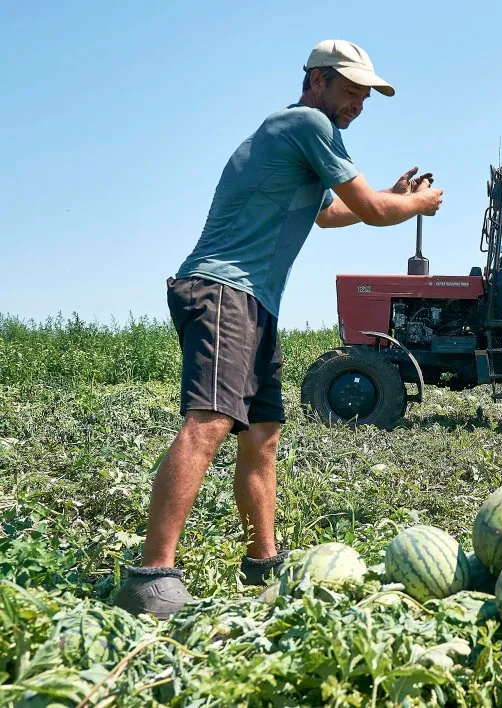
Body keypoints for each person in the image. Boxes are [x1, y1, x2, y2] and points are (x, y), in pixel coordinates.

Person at [113, 39, 444, 619]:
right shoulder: (305, 123)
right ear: (316, 80)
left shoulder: (304, 139)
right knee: (211, 420)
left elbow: (332, 212)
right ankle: (151, 574)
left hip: (255, 302)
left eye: (365, 97)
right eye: (350, 92)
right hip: (222, 291)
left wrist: (391, 197)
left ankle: (262, 564)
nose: (358, 106)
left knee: (262, 434)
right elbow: (367, 209)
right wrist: (409, 206)